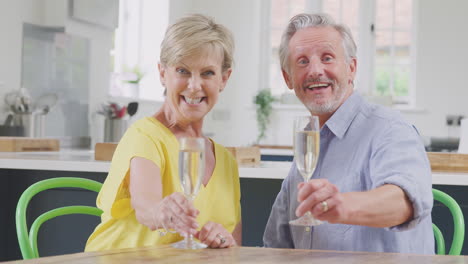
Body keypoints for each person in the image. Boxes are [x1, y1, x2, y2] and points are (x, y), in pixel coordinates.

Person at [263, 13, 434, 254]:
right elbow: (276, 245)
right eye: (302, 61)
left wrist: (342, 205)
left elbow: (404, 201)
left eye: (327, 58)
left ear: (351, 68)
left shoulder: (390, 129)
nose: (315, 70)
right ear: (287, 78)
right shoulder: (309, 145)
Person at [86, 14, 241, 251]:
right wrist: (161, 212)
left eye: (207, 73)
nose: (194, 85)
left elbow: (236, 247)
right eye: (183, 70)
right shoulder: (145, 136)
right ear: (162, 73)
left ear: (224, 78)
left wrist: (223, 241)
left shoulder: (227, 162)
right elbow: (146, 206)